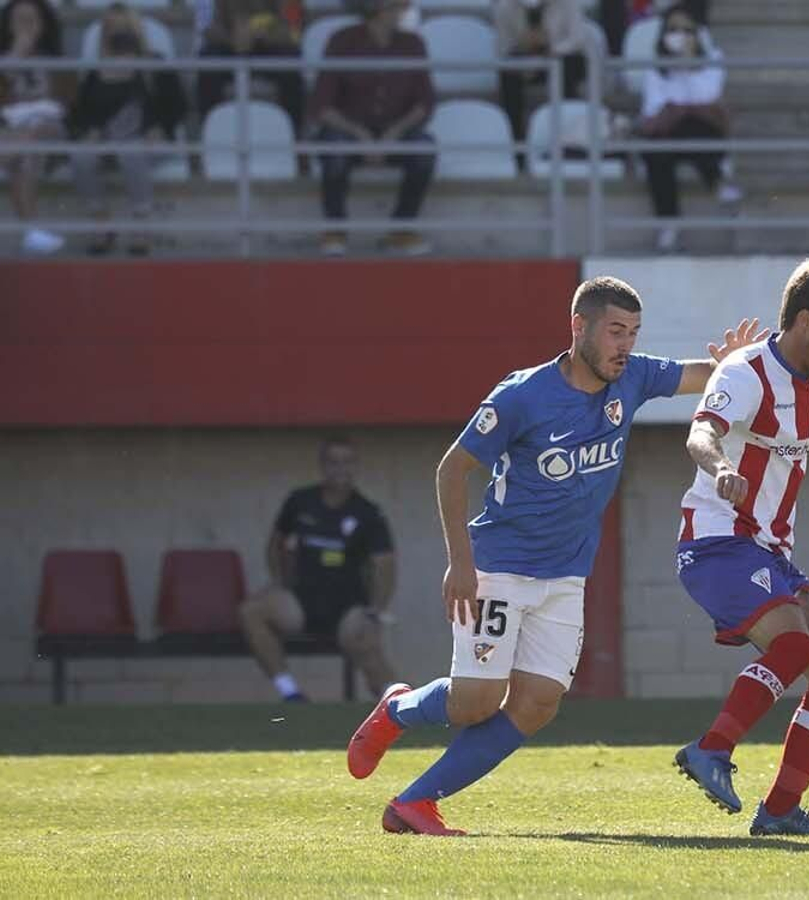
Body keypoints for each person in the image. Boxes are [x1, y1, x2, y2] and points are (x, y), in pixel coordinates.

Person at [343, 277, 767, 836]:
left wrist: (742, 365)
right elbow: (452, 469)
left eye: (634, 333)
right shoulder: (522, 395)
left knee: (539, 703)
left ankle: (413, 804)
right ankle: (398, 708)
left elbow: (704, 377)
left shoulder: (634, 376)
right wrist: (462, 563)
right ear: (579, 327)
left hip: (567, 575)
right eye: (616, 331)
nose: (626, 345)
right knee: (476, 702)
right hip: (498, 566)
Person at [671, 254, 809, 836]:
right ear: (807, 321)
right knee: (792, 644)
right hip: (716, 542)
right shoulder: (744, 373)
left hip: (769, 552)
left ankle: (781, 811)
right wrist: (719, 469)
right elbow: (701, 431)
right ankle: (711, 749)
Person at [239, 435, 400, 703]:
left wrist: (376, 611)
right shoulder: (300, 501)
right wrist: (279, 582)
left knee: (366, 640)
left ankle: (401, 706)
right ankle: (290, 693)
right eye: (333, 462)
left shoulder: (368, 512)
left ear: (355, 466)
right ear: (322, 465)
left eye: (347, 462)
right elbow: (275, 544)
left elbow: (385, 565)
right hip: (300, 602)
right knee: (250, 611)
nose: (340, 469)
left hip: (348, 607)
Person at [308, 0, 435, 257]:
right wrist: (360, 134)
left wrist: (394, 133)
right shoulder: (342, 41)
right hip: (348, 129)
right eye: (398, 6)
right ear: (379, 9)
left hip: (394, 130)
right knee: (335, 149)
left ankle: (400, 230)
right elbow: (321, 104)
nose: (404, 11)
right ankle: (335, 229)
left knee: (424, 150)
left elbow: (425, 102)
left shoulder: (413, 44)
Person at [68, 3, 187, 256]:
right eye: (112, 29)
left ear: (136, 31)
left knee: (130, 151)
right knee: (80, 155)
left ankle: (142, 223)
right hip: (106, 142)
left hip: (150, 141)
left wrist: (158, 128)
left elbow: (178, 106)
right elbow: (80, 114)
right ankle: (101, 222)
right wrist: (90, 131)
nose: (119, 35)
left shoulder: (155, 66)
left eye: (125, 28)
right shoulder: (95, 73)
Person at [636, 3, 740, 253]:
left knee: (694, 126)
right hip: (668, 134)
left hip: (703, 130)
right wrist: (679, 108)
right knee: (655, 149)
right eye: (673, 29)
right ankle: (669, 224)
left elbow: (709, 100)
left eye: (686, 29)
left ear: (697, 33)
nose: (680, 35)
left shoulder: (713, 60)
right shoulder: (656, 70)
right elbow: (652, 117)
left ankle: (717, 180)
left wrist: (690, 65)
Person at [0, 0, 72, 254]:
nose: (26, 28)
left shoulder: (56, 59)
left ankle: (31, 232)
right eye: (20, 22)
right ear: (8, 26)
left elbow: (65, 103)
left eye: (32, 21)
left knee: (31, 137)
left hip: (49, 128)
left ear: (43, 25)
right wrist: (13, 60)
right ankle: (32, 232)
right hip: (10, 130)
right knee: (25, 155)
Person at [494, 0, 594, 157]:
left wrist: (551, 50)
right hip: (526, 60)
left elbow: (577, 39)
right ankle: (516, 144)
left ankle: (568, 139)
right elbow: (504, 48)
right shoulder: (505, 8)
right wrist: (525, 49)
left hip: (561, 57)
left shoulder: (568, 4)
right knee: (508, 74)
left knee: (569, 67)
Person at [195, 0, 304, 129]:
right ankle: (209, 130)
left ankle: (295, 133)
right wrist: (233, 38)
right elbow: (207, 27)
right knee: (209, 60)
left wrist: (259, 32)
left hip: (272, 44)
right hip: (230, 43)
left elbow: (294, 28)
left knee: (290, 63)